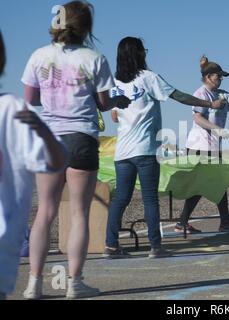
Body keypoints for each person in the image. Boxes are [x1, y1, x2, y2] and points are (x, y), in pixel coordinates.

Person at [21, 1, 130, 299]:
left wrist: (55, 98)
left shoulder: (38, 56)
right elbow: (104, 103)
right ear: (86, 27)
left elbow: (30, 97)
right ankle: (74, 284)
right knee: (80, 213)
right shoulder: (95, 58)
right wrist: (117, 102)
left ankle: (33, 284)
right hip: (81, 138)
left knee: (44, 212)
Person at [104, 38, 226, 259]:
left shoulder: (114, 83)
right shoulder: (149, 78)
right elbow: (178, 96)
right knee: (150, 199)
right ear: (139, 54)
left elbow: (114, 115)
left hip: (122, 152)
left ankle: (111, 245)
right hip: (145, 150)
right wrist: (210, 104)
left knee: (121, 198)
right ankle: (155, 247)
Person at [0, 31, 67, 300]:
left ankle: (36, 280)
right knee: (53, 210)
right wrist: (44, 132)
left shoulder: (15, 110)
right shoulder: (13, 111)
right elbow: (58, 160)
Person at [174, 56, 229, 235]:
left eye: (221, 76)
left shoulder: (223, 94)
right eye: (218, 76)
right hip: (198, 146)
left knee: (214, 183)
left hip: (212, 147)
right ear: (208, 77)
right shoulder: (200, 94)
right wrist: (217, 129)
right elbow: (198, 118)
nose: (220, 78)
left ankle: (192, 222)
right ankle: (211, 222)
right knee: (208, 184)